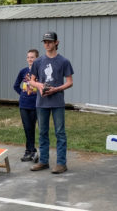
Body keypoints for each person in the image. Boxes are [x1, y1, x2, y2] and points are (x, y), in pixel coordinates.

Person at [29, 31, 74, 174]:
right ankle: (43, 161)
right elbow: (31, 81)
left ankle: (61, 163)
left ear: (56, 42)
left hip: (57, 102)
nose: (47, 44)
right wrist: (40, 86)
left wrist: (56, 89)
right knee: (43, 132)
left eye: (49, 41)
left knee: (60, 132)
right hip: (41, 102)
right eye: (45, 42)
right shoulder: (38, 62)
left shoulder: (64, 61)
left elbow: (70, 82)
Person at [14, 49, 39, 163]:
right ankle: (29, 151)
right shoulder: (23, 71)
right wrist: (22, 95)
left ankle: (32, 151)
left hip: (35, 105)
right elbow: (15, 86)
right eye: (28, 57)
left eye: (32, 57)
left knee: (31, 128)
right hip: (24, 104)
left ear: (37, 58)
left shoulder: (39, 72)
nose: (30, 59)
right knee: (26, 128)